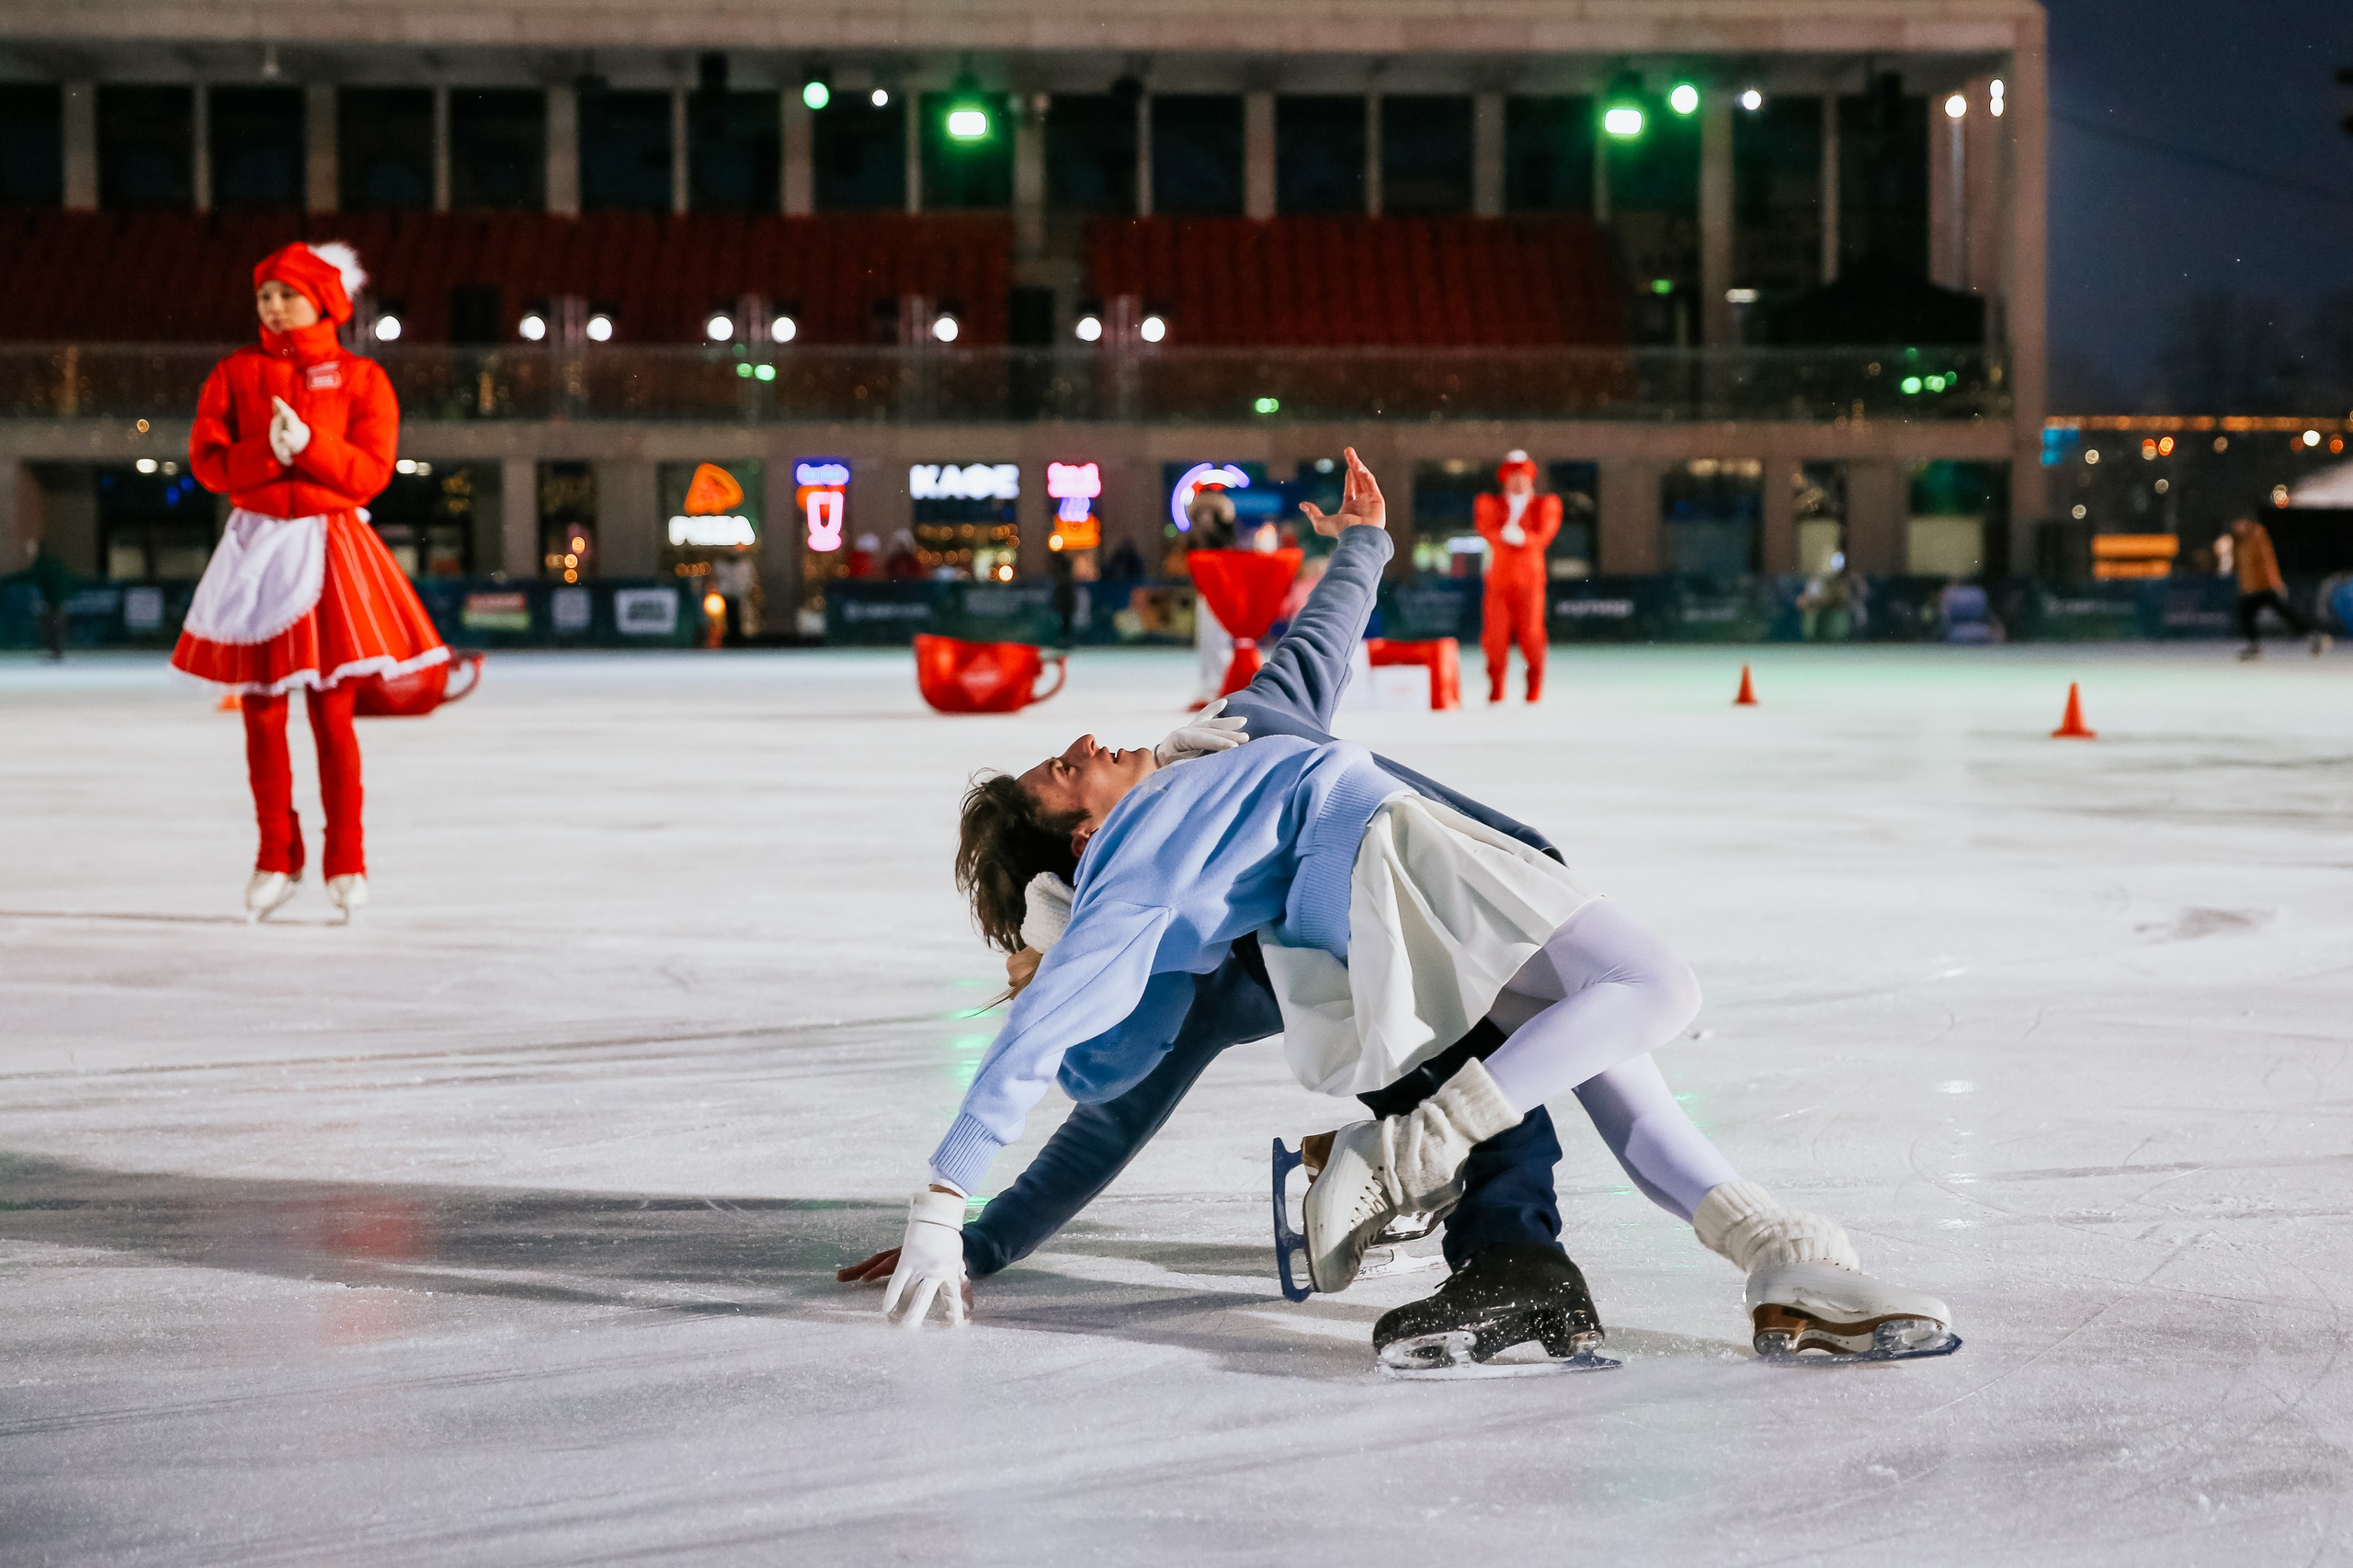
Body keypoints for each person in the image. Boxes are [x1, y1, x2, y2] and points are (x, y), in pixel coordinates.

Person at [873, 449, 1955, 1369]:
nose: (1075, 746)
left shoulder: (1217, 739)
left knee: (1627, 1090)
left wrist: (1365, 544)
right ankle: (1411, 1171)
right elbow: (1085, 1066)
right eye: (1056, 777)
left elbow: (1313, 648)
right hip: (1400, 894)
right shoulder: (1142, 859)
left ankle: (1781, 1259)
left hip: (1466, 870)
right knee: (1648, 992)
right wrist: (962, 1222)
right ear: (1072, 844)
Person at [171, 242, 447, 924]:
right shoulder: (235, 373)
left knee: (332, 714)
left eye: (286, 293)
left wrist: (309, 449)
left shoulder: (362, 379)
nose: (272, 305)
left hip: (329, 548)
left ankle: (346, 859)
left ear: (323, 301)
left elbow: (370, 474)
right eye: (265, 294)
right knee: (262, 712)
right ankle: (274, 855)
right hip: (258, 548)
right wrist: (268, 450)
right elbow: (208, 464)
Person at [1472, 450, 1560, 703]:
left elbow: (1545, 534)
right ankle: (1496, 687)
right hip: (1499, 582)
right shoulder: (1491, 504)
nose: (1518, 481)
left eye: (1522, 476)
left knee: (1532, 636)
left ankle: (1534, 686)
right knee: (1494, 638)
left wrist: (1523, 538)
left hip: (1530, 582)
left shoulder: (1545, 504)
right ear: (1505, 479)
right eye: (1513, 476)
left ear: (1531, 478)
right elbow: (1485, 527)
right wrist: (1503, 535)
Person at [2225, 516, 2329, 660]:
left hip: (2266, 587)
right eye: (2235, 525)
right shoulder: (2239, 543)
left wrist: (2275, 584)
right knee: (2247, 615)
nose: (2237, 528)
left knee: (2286, 614)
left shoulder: (2257, 537)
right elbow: (2240, 566)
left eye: (2240, 524)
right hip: (2251, 589)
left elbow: (2267, 562)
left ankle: (2314, 636)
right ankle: (2254, 646)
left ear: (2247, 523)